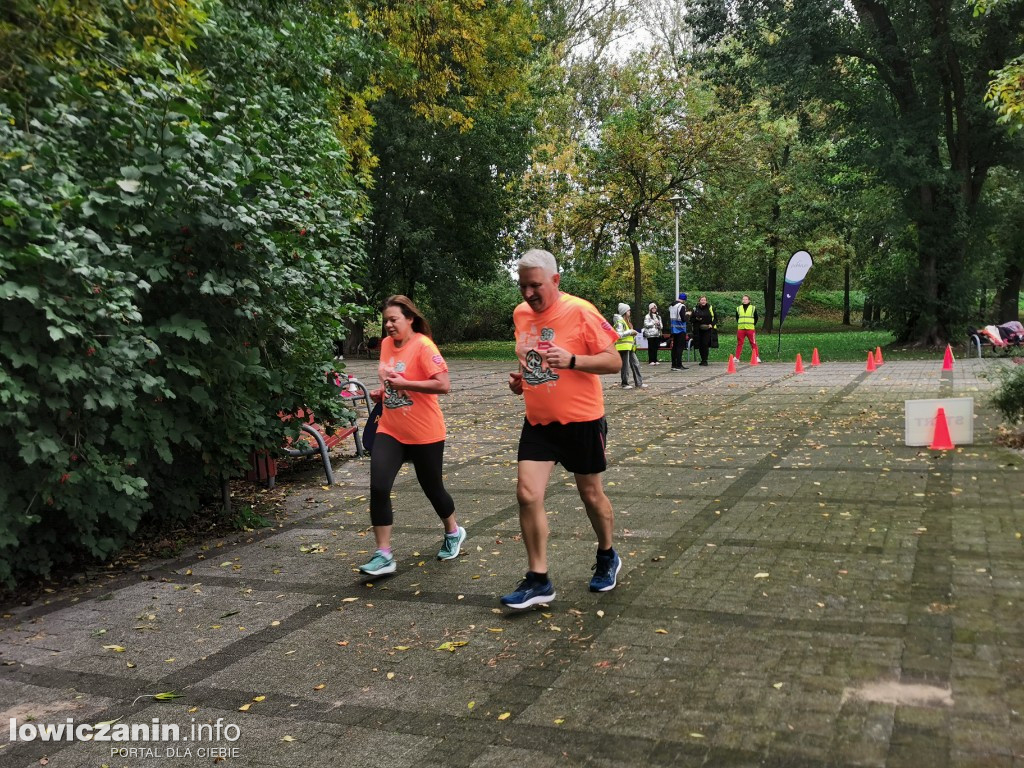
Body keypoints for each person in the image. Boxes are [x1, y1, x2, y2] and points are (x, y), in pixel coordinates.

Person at [502, 248, 623, 610]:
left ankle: (607, 555)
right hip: (539, 423)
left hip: (582, 421)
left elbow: (614, 361)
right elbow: (532, 357)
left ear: (555, 280)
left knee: (590, 495)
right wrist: (523, 380)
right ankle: (538, 579)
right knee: (527, 494)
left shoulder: (580, 311)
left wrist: (573, 360)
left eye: (535, 285)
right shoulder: (521, 314)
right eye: (522, 286)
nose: (528, 294)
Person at [357, 295, 465, 576]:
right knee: (379, 487)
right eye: (386, 321)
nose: (389, 325)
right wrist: (383, 392)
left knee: (432, 488)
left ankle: (453, 531)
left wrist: (406, 383)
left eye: (394, 319)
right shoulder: (384, 345)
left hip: (425, 431)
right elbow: (392, 382)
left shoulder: (423, 346)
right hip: (390, 428)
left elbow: (443, 384)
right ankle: (383, 554)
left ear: (410, 319)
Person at [612, 302, 644, 389]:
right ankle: (624, 383)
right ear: (625, 312)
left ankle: (639, 382)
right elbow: (619, 334)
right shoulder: (620, 322)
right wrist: (631, 332)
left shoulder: (626, 321)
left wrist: (632, 333)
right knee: (625, 366)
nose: (630, 312)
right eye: (628, 310)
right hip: (623, 347)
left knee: (635, 364)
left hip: (629, 347)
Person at [691, 295, 716, 366]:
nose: (703, 301)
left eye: (704, 300)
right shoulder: (695, 308)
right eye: (702, 300)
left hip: (707, 329)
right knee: (700, 344)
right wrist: (696, 319)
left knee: (705, 344)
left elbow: (715, 318)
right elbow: (691, 319)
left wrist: (712, 324)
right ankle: (702, 359)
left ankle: (705, 360)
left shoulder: (710, 308)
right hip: (698, 329)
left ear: (706, 301)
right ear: (699, 301)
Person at [734, 295, 760, 363]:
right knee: (739, 343)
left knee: (753, 343)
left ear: (749, 300)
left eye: (746, 299)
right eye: (743, 299)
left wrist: (752, 324)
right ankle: (737, 357)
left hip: (750, 328)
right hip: (741, 329)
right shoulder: (738, 308)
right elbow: (737, 318)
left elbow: (756, 318)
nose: (744, 300)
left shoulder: (753, 308)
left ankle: (756, 357)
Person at [668, 293, 689, 371]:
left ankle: (673, 365)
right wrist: (687, 315)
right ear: (684, 300)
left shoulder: (672, 306)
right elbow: (683, 318)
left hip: (673, 329)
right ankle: (679, 365)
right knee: (680, 348)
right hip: (681, 329)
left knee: (674, 347)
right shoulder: (681, 306)